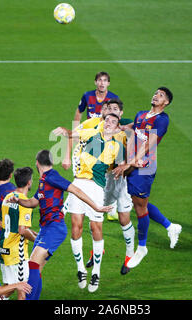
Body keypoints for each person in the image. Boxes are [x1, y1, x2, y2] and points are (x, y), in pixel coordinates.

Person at [8, 150, 112, 299]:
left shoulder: (52, 177)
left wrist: (95, 206)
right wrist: (19, 201)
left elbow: (75, 189)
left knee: (32, 265)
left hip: (55, 227)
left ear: (37, 163)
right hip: (46, 228)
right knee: (36, 268)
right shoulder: (44, 179)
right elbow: (33, 202)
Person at [56, 99, 136, 275]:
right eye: (107, 109)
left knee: (124, 217)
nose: (109, 112)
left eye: (114, 110)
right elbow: (79, 141)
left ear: (120, 114)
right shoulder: (95, 128)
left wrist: (126, 166)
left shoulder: (126, 131)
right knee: (95, 218)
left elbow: (136, 149)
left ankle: (130, 254)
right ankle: (96, 251)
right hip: (100, 179)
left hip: (118, 180)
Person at [113, 87, 183, 270]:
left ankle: (142, 247)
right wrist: (117, 126)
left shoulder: (162, 120)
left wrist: (131, 162)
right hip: (134, 164)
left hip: (145, 166)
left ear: (166, 102)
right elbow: (134, 130)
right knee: (138, 202)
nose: (156, 95)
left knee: (140, 207)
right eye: (156, 93)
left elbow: (149, 144)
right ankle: (170, 226)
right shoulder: (141, 114)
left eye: (160, 95)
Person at [0, 167, 38, 299]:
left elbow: (5, 224)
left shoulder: (7, 198)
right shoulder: (25, 203)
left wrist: (33, 233)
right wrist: (37, 240)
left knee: (9, 286)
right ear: (28, 182)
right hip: (17, 253)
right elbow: (22, 230)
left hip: (4, 248)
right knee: (22, 289)